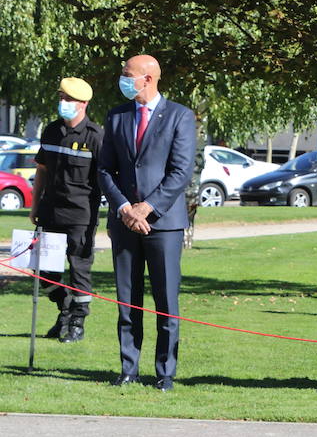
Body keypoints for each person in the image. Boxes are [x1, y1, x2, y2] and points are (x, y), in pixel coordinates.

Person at [97, 54, 196, 391]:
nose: (123, 80)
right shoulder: (116, 116)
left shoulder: (180, 116)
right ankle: (128, 367)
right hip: (123, 222)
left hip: (163, 224)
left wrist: (147, 208)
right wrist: (125, 208)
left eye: (128, 75)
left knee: (166, 301)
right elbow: (104, 169)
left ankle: (165, 372)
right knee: (127, 300)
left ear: (148, 78)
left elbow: (180, 171)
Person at [31, 77, 104, 343]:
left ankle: (77, 321)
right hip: (50, 212)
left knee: (79, 269)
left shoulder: (95, 137)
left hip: (80, 216)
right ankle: (63, 307)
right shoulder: (51, 131)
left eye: (68, 99)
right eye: (60, 97)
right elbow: (42, 170)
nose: (62, 103)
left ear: (82, 104)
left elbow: (105, 178)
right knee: (44, 271)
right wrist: (35, 205)